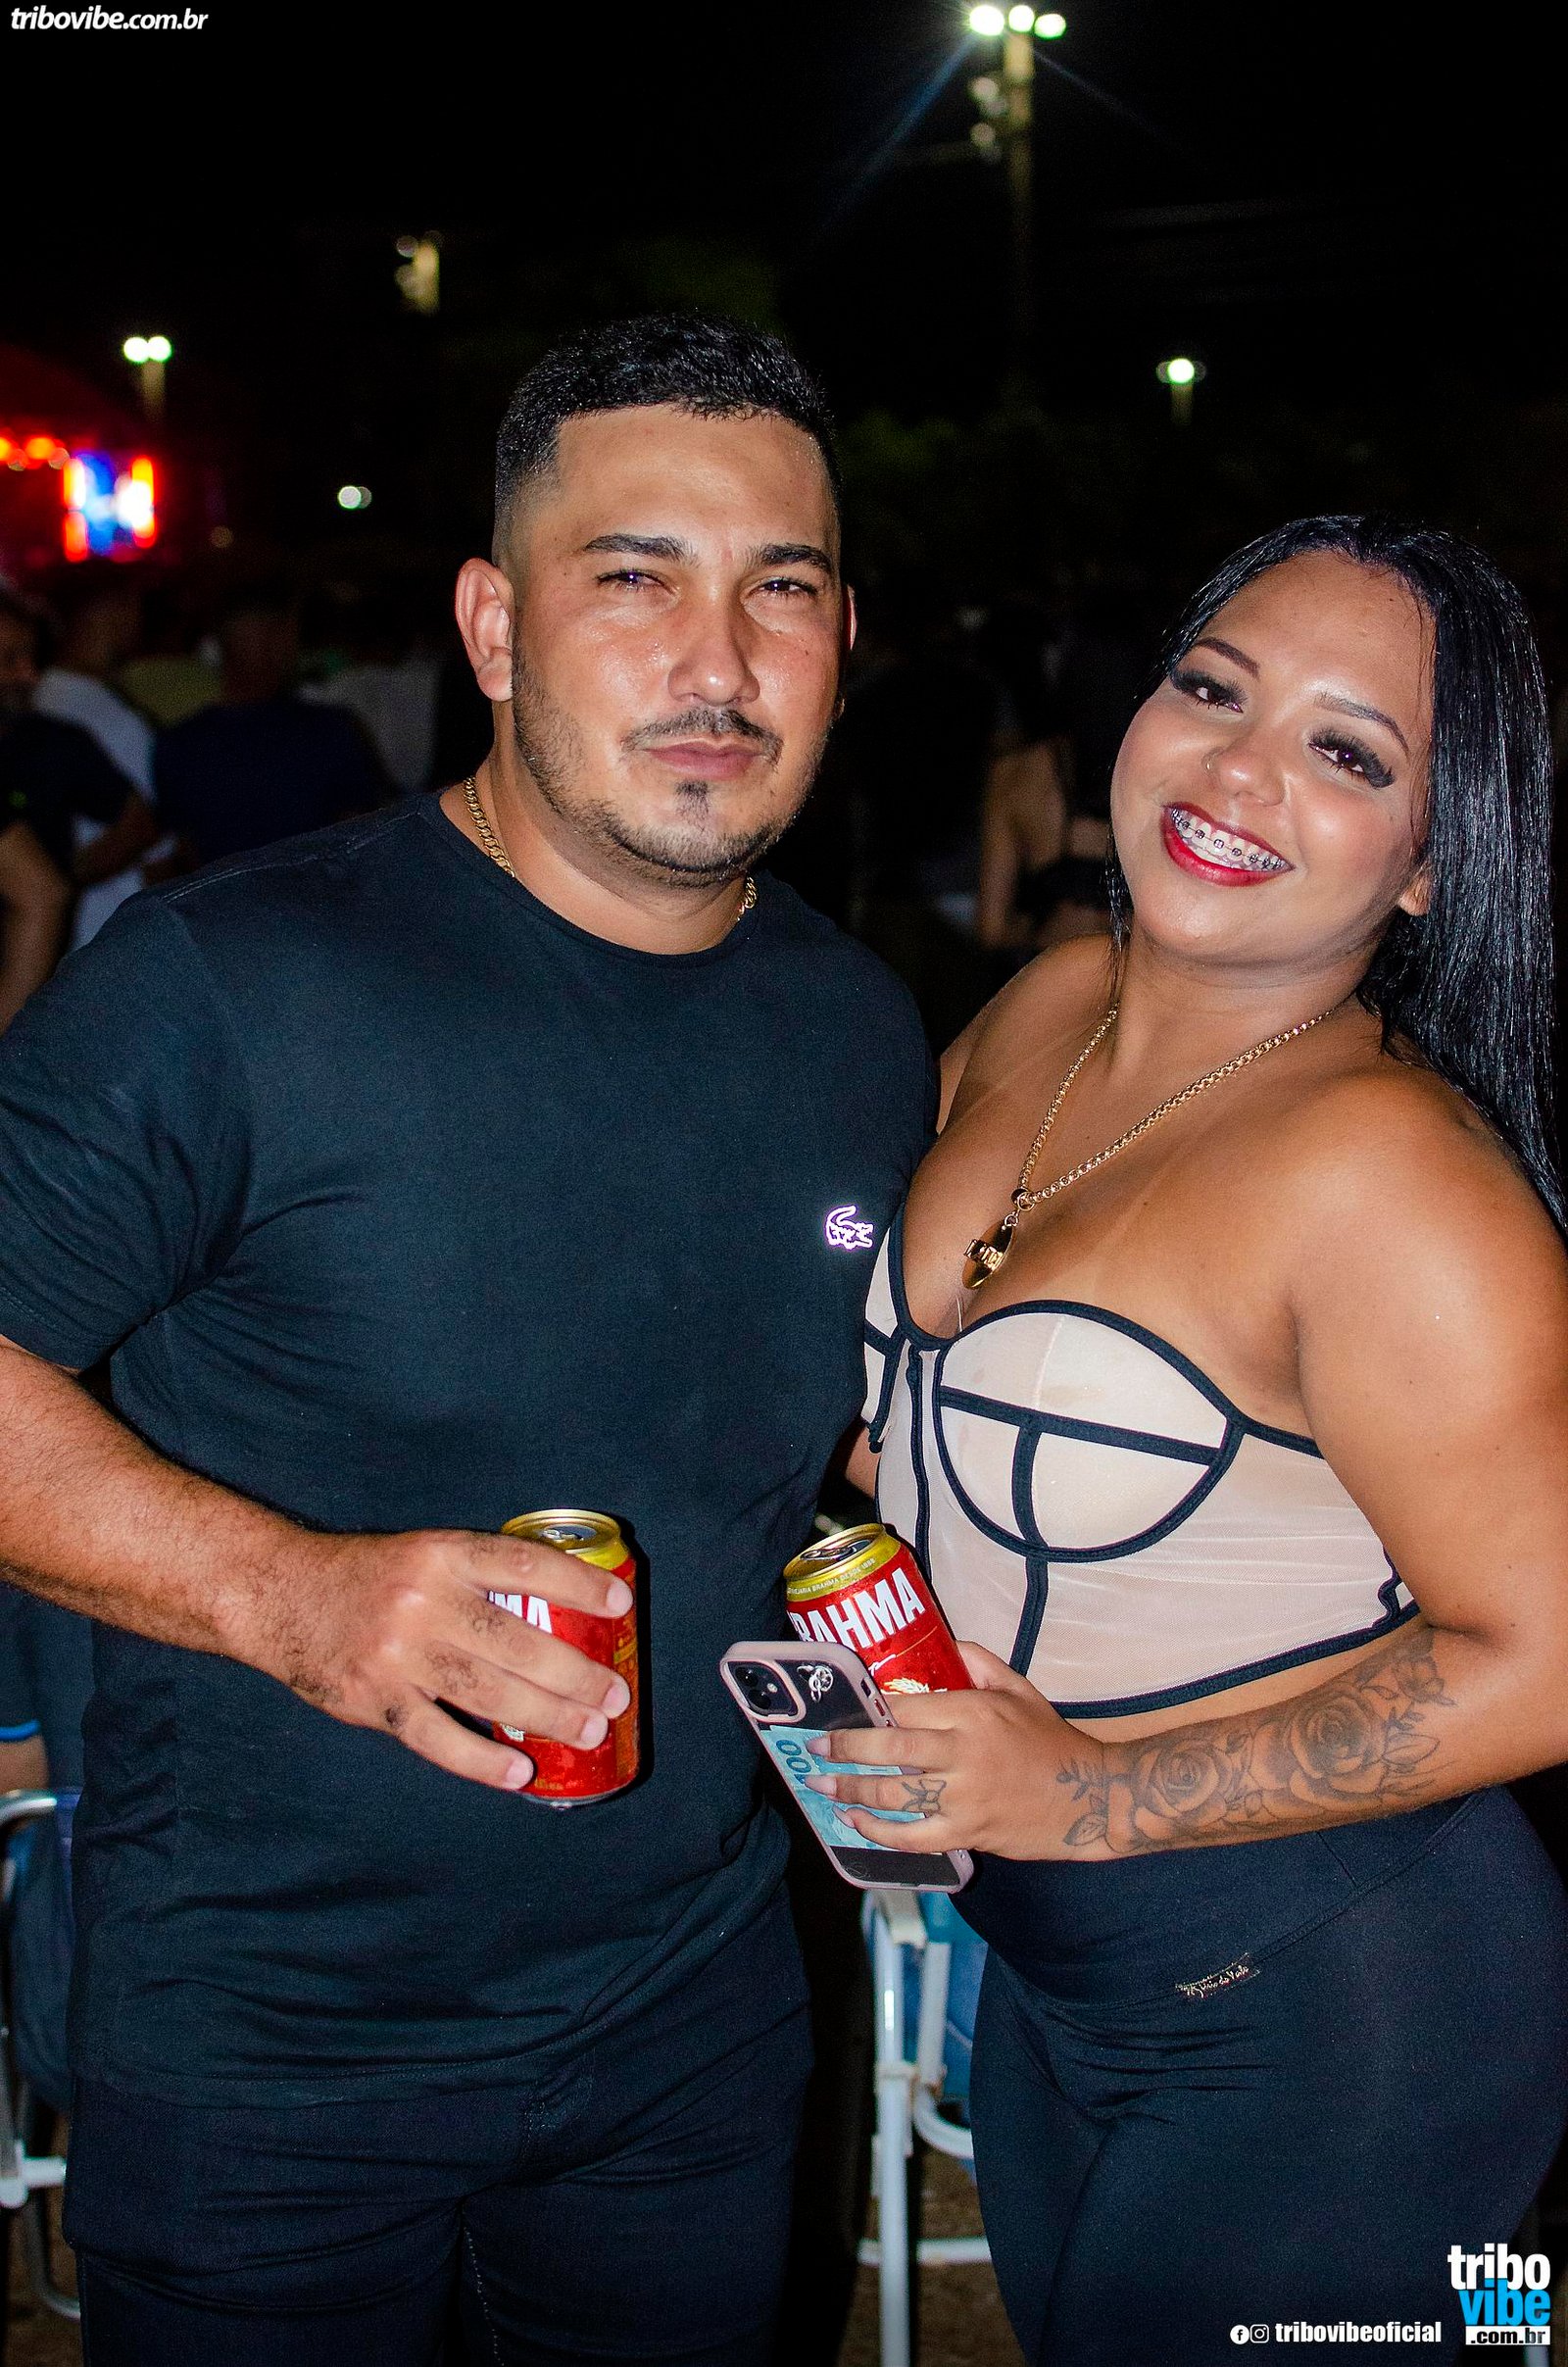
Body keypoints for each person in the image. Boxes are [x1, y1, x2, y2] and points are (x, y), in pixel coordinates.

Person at [0, 312, 933, 2365]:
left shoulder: (862, 1030)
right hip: (264, 2051)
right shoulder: (231, 986)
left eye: (780, 589)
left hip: (692, 2026)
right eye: (637, 579)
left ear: (843, 638)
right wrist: (284, 1595)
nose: (718, 662)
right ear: (495, 630)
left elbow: (793, 1434)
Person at [823, 518, 1568, 2360]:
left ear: (1430, 861)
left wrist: (1082, 1797)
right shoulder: (1049, 1007)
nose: (1238, 769)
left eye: (1347, 752)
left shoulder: (1393, 1180)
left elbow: (1553, 1653)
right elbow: (921, 1400)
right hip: (1056, 1968)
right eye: (1213, 687)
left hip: (1342, 1997)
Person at [155, 583, 389, 863]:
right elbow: (362, 840)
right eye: (289, 633)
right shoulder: (329, 732)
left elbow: (182, 852)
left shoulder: (179, 745)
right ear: (276, 637)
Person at [0, 584, 160, 932]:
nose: (29, 675)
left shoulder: (50, 741)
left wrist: (58, 880)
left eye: (31, 657)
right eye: (10, 660)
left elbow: (138, 824)